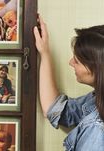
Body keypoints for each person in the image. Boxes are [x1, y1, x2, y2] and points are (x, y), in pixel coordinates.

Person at [34, 15, 104, 150]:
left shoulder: (97, 131)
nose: (71, 63)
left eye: (76, 61)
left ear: (97, 68)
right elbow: (53, 109)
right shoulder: (96, 101)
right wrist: (45, 52)